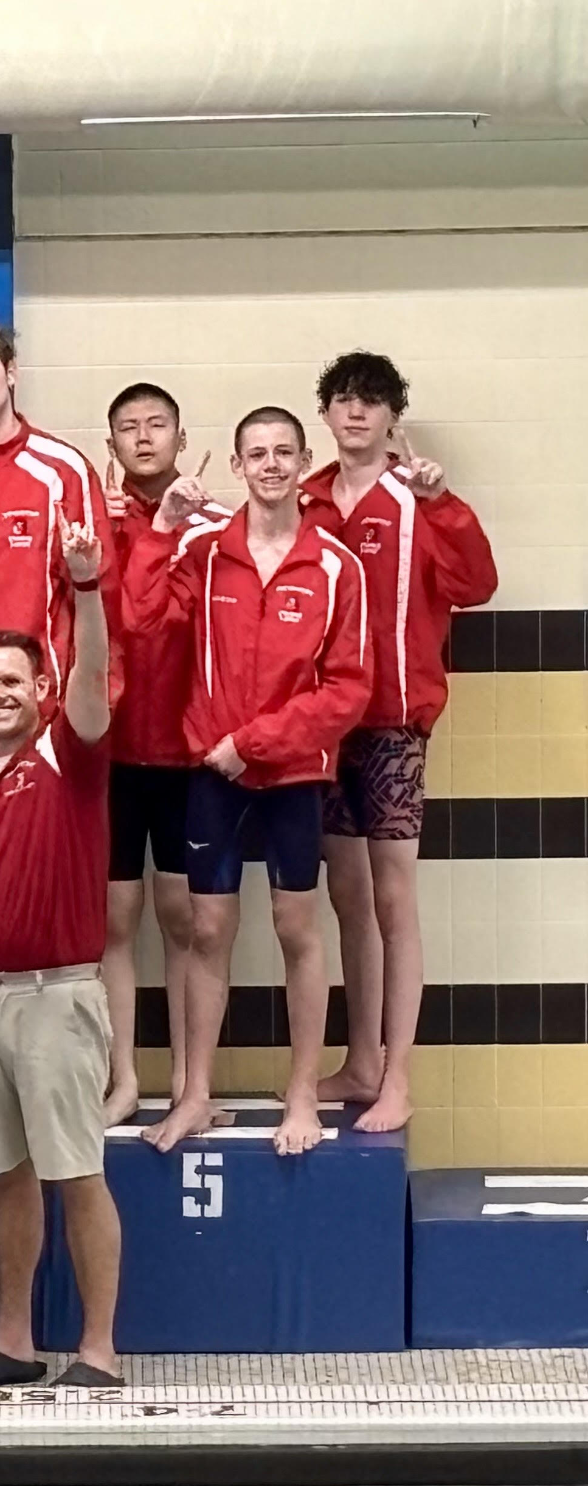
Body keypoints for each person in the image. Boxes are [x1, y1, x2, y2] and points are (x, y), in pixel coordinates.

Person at [126, 409, 371, 1158]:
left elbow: (348, 690)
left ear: (304, 462)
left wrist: (252, 743)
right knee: (207, 932)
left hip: (290, 773)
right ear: (237, 466)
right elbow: (140, 620)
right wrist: (161, 532)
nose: (270, 465)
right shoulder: (203, 551)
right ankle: (194, 1093)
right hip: (216, 777)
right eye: (256, 453)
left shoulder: (335, 567)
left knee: (299, 930)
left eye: (283, 453)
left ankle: (302, 1094)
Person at [0, 514, 121, 1388]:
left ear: (40, 686)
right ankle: (13, 1342)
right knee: (7, 1178)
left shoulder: (72, 753)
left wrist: (84, 586)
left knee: (76, 1174)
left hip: (56, 997)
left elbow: (94, 681)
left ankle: (99, 1351)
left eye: (13, 679)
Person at [305, 352, 496, 1135]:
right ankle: (360, 1061)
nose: (356, 413)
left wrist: (444, 503)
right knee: (346, 897)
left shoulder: (418, 497)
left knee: (393, 899)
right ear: (326, 413)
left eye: (371, 402)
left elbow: (476, 585)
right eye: (344, 401)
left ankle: (400, 1077)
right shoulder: (308, 497)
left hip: (394, 722)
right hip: (326, 724)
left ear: (393, 418)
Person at [99, 384, 230, 1125]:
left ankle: (189, 1082)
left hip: (188, 755)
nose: (143, 437)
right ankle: (124, 1076)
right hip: (112, 752)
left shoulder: (213, 528)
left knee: (185, 918)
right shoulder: (96, 521)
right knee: (115, 918)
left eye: (157, 426)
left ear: (183, 437)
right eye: (128, 427)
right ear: (110, 442)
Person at [0, 315, 117, 776]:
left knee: (37, 847)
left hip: (37, 712)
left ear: (11, 372)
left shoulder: (63, 470)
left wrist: (93, 702)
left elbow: (101, 595)